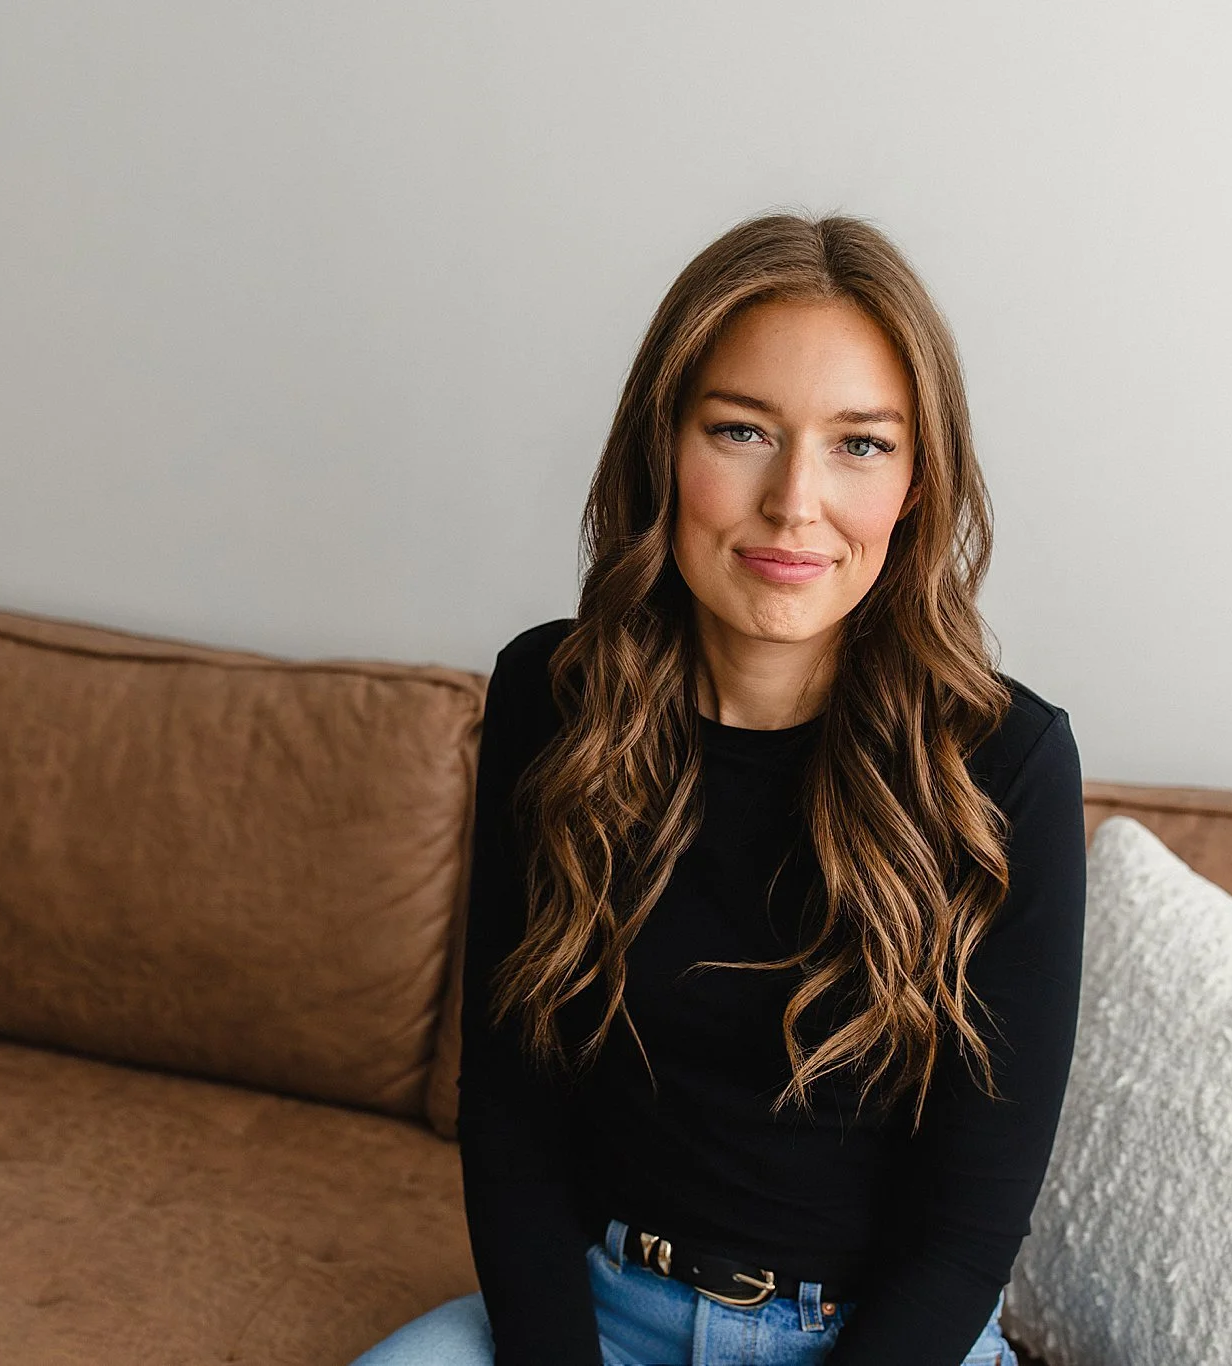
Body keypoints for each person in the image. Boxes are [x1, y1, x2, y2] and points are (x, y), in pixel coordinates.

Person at [353, 210, 1086, 1366]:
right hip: (595, 1317)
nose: (794, 501)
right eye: (742, 428)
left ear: (915, 481)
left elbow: (967, 1230)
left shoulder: (1003, 766)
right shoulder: (551, 697)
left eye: (859, 444)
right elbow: (509, 1123)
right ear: (664, 446)